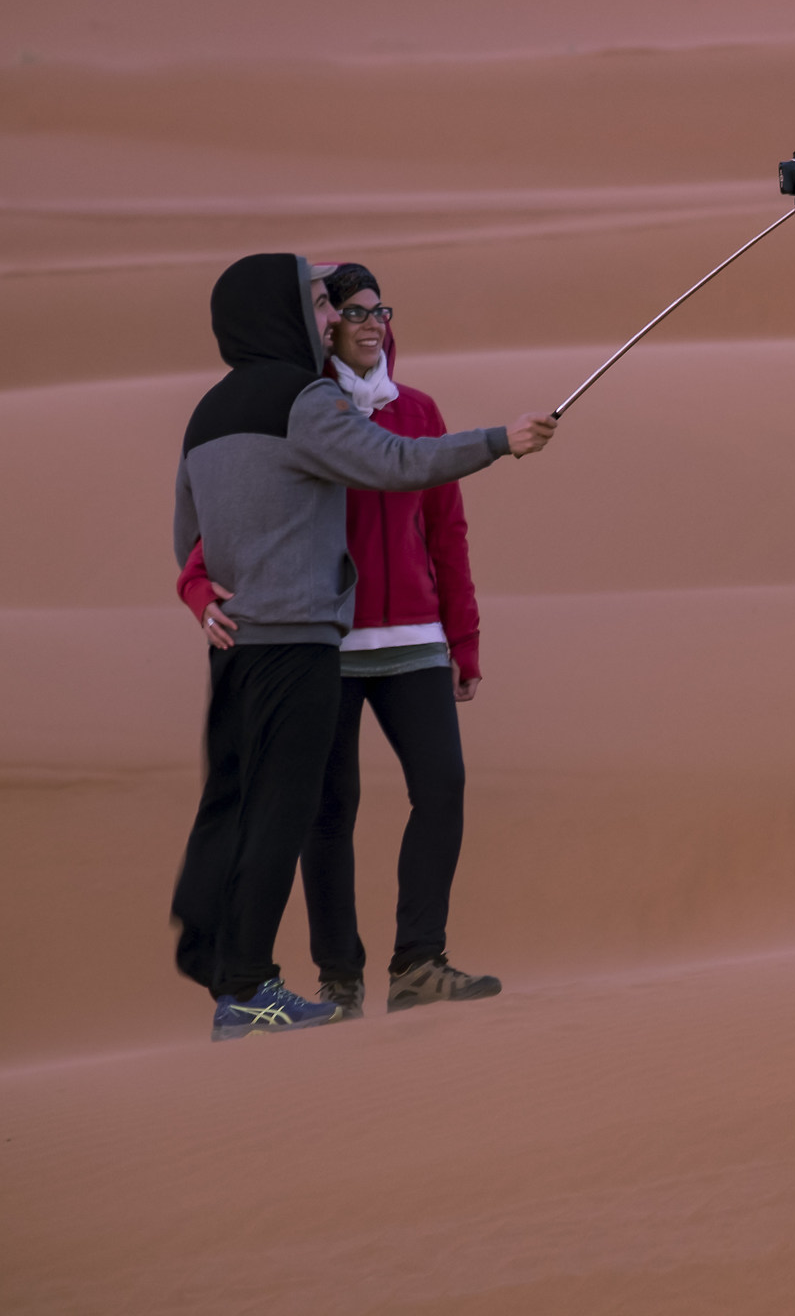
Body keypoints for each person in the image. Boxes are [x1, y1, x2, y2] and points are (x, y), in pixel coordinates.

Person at [170, 253, 556, 1041]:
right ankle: (273, 986)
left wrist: (198, 593)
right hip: (308, 641)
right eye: (325, 308)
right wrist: (500, 441)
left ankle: (267, 978)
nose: (344, 321)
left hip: (260, 645)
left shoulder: (208, 413)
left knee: (251, 812)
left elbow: (190, 536)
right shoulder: (306, 401)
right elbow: (396, 465)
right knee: (296, 816)